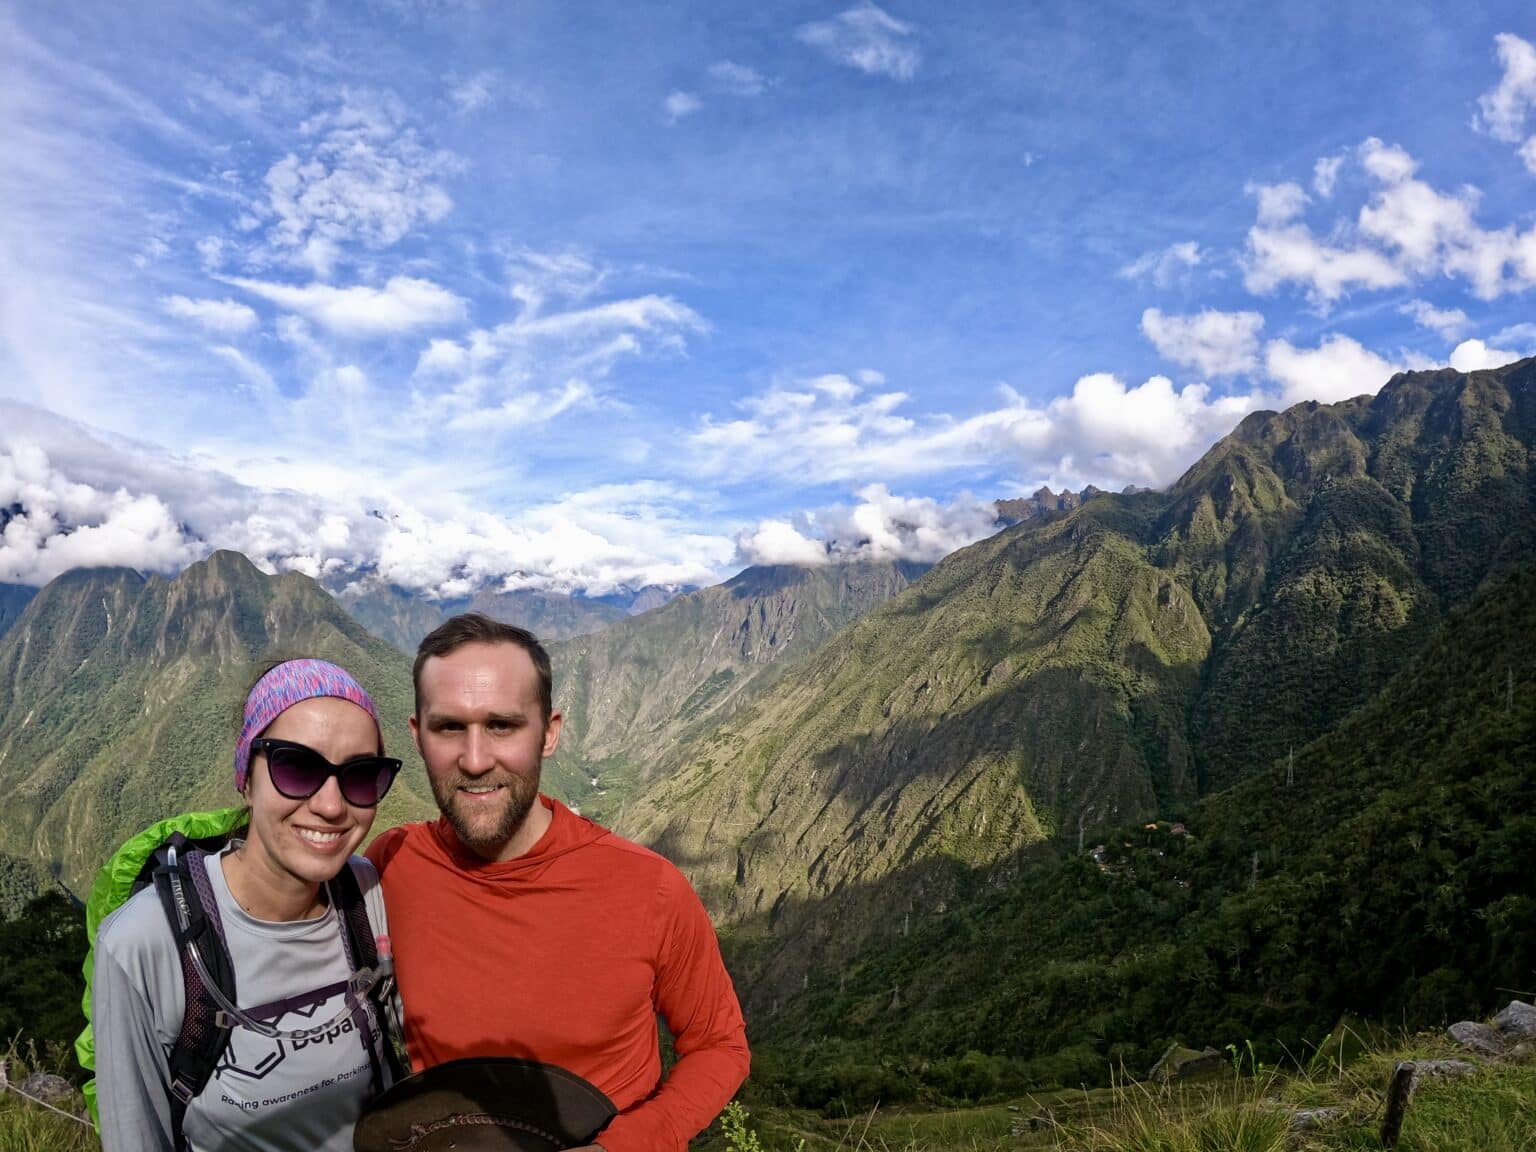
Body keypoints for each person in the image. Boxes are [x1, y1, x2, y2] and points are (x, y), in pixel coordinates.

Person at [368, 613, 750, 1152]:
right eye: (449, 726)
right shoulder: (390, 864)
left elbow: (720, 1045)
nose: (475, 760)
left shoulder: (650, 889)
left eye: (502, 725)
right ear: (418, 734)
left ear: (549, 733)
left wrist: (629, 1145)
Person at [91, 659, 404, 1152]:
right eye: (296, 767)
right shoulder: (144, 943)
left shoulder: (365, 895)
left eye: (361, 776)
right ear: (246, 777)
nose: (331, 805)